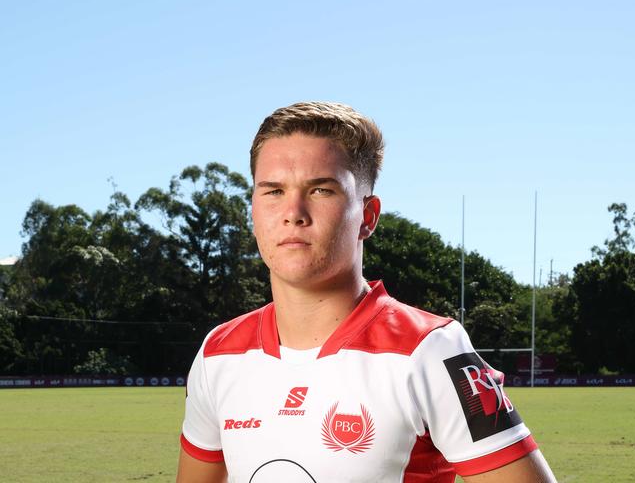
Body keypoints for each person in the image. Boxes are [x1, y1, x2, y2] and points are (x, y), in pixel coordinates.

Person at [176, 102, 557, 483]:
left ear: (368, 216)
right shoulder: (218, 354)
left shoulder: (431, 350)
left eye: (321, 190)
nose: (293, 212)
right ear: (254, 211)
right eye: (273, 191)